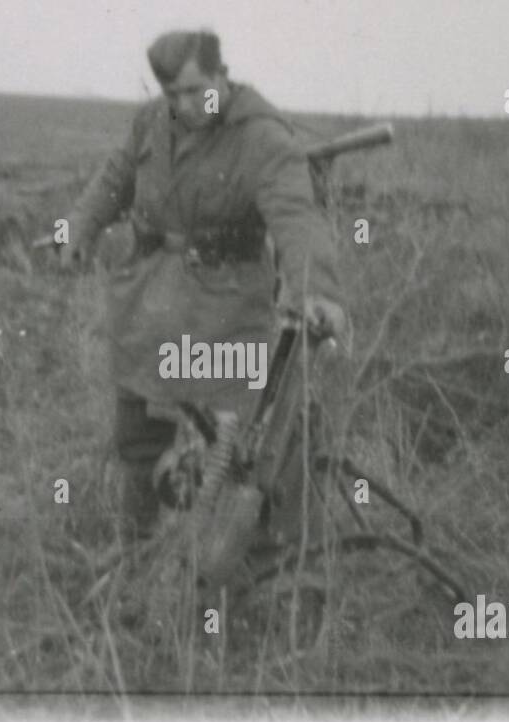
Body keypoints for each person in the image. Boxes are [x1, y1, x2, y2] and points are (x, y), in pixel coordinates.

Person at [61, 30, 347, 539]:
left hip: (225, 307)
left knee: (241, 446)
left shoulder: (262, 136)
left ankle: (250, 560)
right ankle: (138, 551)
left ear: (222, 74)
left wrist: (315, 288)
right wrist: (79, 227)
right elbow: (115, 178)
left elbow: (296, 216)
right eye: (174, 95)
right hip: (149, 298)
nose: (187, 105)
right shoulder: (152, 123)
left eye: (197, 90)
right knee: (140, 436)